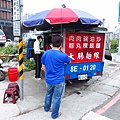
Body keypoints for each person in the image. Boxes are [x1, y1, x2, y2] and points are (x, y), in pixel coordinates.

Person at [41, 35, 71, 119]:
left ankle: (46, 108)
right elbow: (69, 60)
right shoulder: (62, 55)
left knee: (48, 94)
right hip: (59, 81)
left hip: (48, 79)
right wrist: (63, 52)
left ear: (52, 43)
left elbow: (43, 67)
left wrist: (48, 74)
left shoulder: (46, 53)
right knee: (57, 98)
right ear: (61, 44)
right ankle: (54, 115)